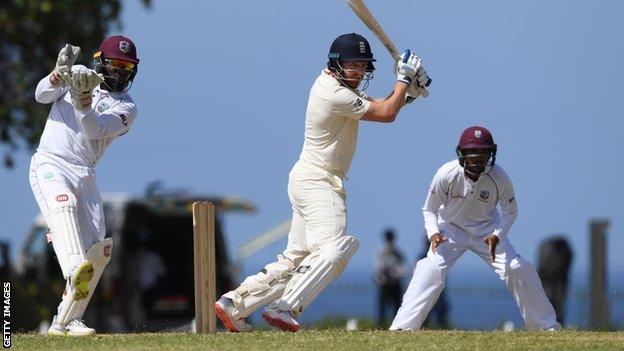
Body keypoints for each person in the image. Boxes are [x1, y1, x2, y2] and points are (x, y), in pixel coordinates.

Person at [215, 33, 431, 332]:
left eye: (364, 65)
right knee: (338, 247)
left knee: (296, 260)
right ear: (335, 63)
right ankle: (284, 307)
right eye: (353, 64)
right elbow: (386, 113)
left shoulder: (338, 88)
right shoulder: (333, 93)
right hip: (319, 181)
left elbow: (383, 104)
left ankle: (234, 303)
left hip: (306, 178)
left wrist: (409, 92)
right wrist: (404, 78)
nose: (359, 71)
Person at [390, 126, 560, 331]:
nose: (479, 160)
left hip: (488, 232)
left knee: (517, 268)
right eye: (473, 155)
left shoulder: (499, 177)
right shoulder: (446, 174)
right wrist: (433, 233)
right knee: (430, 269)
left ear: (491, 153)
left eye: (484, 154)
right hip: (451, 230)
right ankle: (403, 327)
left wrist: (497, 235)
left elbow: (511, 212)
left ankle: (545, 326)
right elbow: (429, 208)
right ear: (461, 154)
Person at [29, 35, 140, 336]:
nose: (118, 72)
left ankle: (66, 320)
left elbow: (92, 129)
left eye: (125, 67)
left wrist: (83, 98)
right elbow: (41, 95)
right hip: (51, 162)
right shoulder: (77, 75)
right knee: (63, 206)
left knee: (99, 249)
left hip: (84, 172)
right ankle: (73, 268)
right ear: (100, 61)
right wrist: (57, 74)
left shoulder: (127, 108)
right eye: (114, 64)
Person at [374, 228, 406, 328]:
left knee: (397, 308)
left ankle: (396, 326)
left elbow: (402, 269)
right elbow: (378, 268)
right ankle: (380, 326)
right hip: (384, 284)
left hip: (395, 283)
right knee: (382, 308)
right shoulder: (382, 252)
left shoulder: (398, 253)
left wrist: (394, 274)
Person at [537, 236, 573, 325]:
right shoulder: (563, 250)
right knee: (555, 301)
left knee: (554, 301)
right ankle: (554, 323)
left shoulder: (545, 248)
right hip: (554, 279)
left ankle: (551, 323)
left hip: (552, 279)